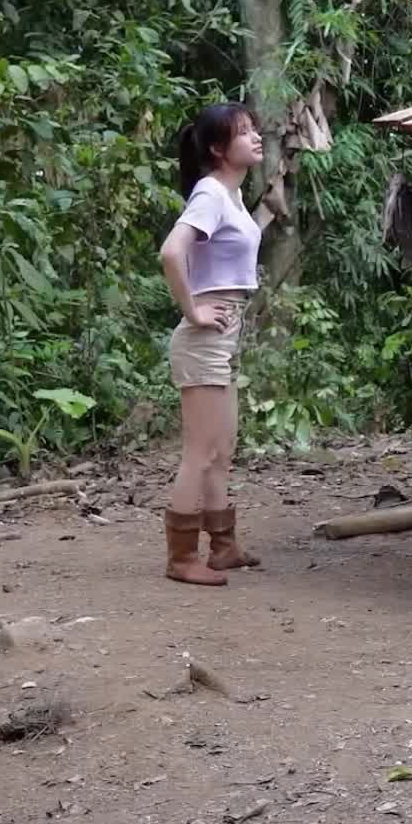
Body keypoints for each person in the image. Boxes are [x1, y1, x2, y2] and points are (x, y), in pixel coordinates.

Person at [157, 103, 265, 585]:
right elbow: (171, 251)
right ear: (218, 149)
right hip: (204, 335)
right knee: (199, 452)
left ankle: (222, 546)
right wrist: (192, 310)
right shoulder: (210, 194)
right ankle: (182, 558)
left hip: (223, 334)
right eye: (244, 132)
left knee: (222, 449)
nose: (256, 137)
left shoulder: (232, 196)